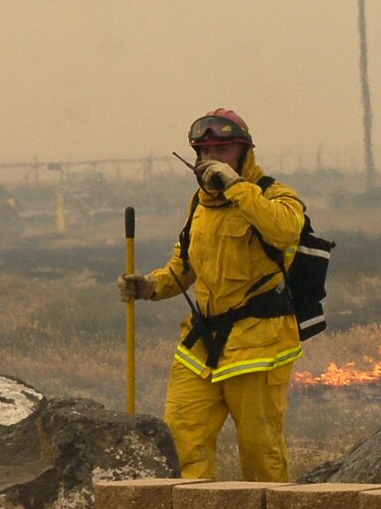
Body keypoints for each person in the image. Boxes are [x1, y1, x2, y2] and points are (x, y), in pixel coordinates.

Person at [117, 109, 306, 482]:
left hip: (259, 346)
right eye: (204, 151)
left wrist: (236, 186)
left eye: (222, 149)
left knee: (260, 452)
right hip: (202, 345)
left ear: (243, 152)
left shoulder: (274, 195)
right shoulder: (199, 205)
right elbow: (183, 267)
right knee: (182, 441)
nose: (211, 159)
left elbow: (286, 231)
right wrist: (150, 286)